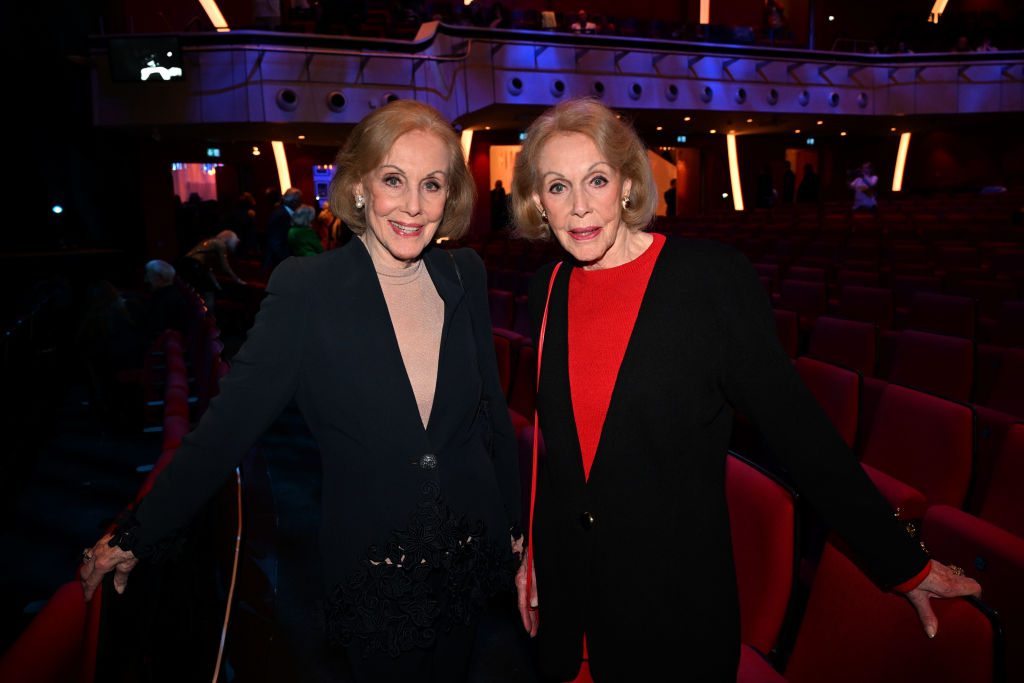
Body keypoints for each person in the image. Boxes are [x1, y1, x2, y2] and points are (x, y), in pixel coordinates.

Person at [508, 98, 981, 682]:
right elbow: (557, 452)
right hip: (573, 603)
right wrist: (536, 551)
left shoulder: (710, 280)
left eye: (597, 180)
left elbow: (800, 431)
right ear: (538, 201)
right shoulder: (548, 286)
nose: (579, 205)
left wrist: (903, 564)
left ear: (628, 185)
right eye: (558, 186)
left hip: (669, 613)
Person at [80, 99, 523, 682]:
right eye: (394, 180)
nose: (414, 206)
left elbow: (492, 418)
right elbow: (228, 425)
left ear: (451, 196)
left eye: (432, 185)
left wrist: (518, 530)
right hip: (378, 567)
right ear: (360, 186)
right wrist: (140, 531)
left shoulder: (464, 272)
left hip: (468, 551)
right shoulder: (308, 288)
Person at [176, 230, 245, 312]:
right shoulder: (220, 244)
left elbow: (208, 269)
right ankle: (207, 316)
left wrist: (217, 285)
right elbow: (225, 266)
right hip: (194, 266)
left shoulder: (209, 242)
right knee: (206, 293)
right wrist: (238, 280)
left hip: (186, 264)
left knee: (191, 294)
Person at [265, 186, 302, 268]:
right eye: (299, 201)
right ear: (292, 202)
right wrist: (287, 261)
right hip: (279, 262)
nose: (300, 204)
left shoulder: (284, 212)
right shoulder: (280, 214)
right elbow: (276, 242)